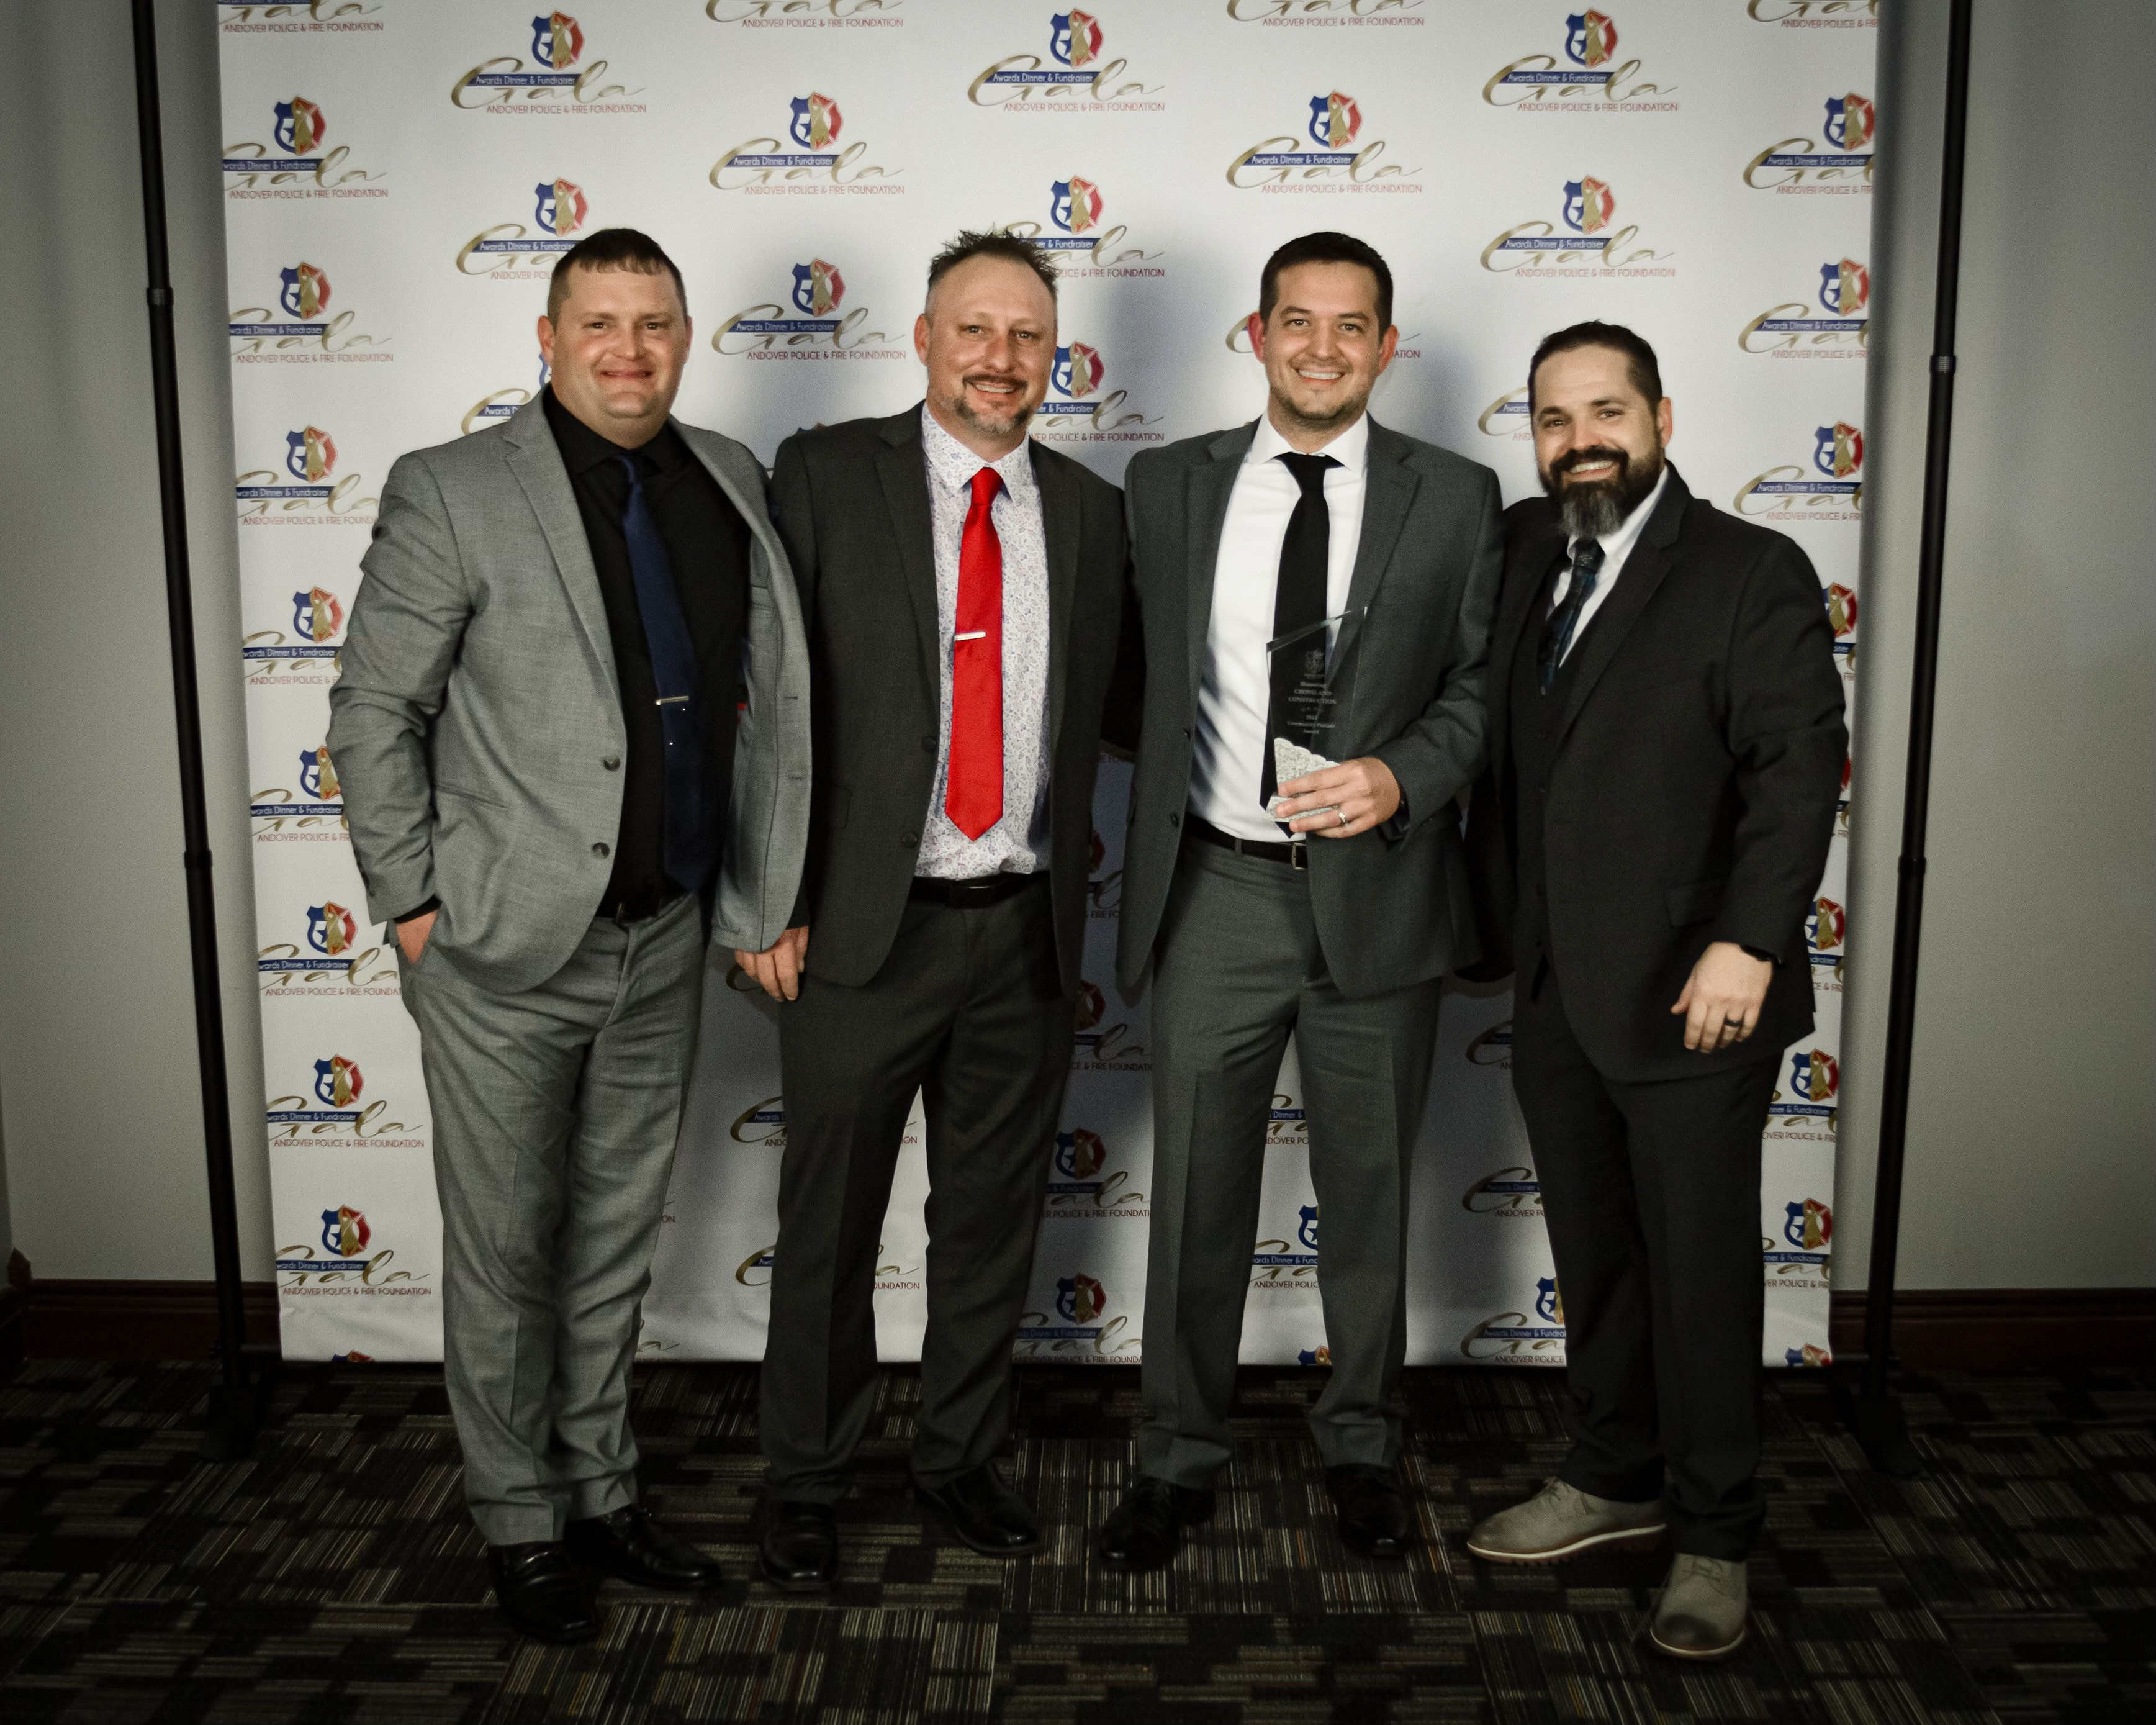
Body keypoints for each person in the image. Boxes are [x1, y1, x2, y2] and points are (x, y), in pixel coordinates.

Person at [327, 227, 810, 1642]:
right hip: (496, 951)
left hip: (660, 942)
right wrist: (414, 908)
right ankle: (517, 1519)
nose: (628, 350)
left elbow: (766, 703)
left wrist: (757, 896)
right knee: (502, 1251)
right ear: (545, 337)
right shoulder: (454, 490)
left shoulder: (726, 479)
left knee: (609, 1248)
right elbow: (373, 712)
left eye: (653, 323)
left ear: (684, 335)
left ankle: (599, 1492)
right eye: (597, 323)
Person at [1096, 232, 1502, 1571]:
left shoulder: (1457, 496)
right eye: (1296, 321)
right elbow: (1121, 682)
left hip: (1378, 897)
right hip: (1215, 888)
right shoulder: (1165, 486)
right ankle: (1173, 1456)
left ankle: (1361, 1444)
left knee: (1369, 1196)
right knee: (1196, 1196)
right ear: (1253, 334)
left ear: (1386, 348)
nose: (1320, 347)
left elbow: (1482, 691)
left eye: (1350, 326)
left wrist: (1402, 775)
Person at [744, 230, 1137, 1591]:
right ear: (921, 340)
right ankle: (805, 1475)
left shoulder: (1091, 513)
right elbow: (764, 708)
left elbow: (1129, 710)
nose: (999, 358)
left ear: (1056, 355)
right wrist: (765, 899)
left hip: (1020, 932)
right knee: (830, 1226)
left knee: (986, 1226)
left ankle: (958, 1458)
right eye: (973, 329)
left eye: (1026, 334)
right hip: (860, 933)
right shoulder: (824, 476)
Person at [1459, 322, 1845, 1661]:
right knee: (1599, 1256)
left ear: (1662, 418)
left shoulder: (1749, 570)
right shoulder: (1519, 551)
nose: (1581, 440)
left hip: (1695, 988)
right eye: (1554, 417)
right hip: (1558, 982)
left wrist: (1747, 942)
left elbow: (1795, 772)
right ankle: (1613, 1474)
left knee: (1697, 1271)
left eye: (1606, 410)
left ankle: (1714, 1531)